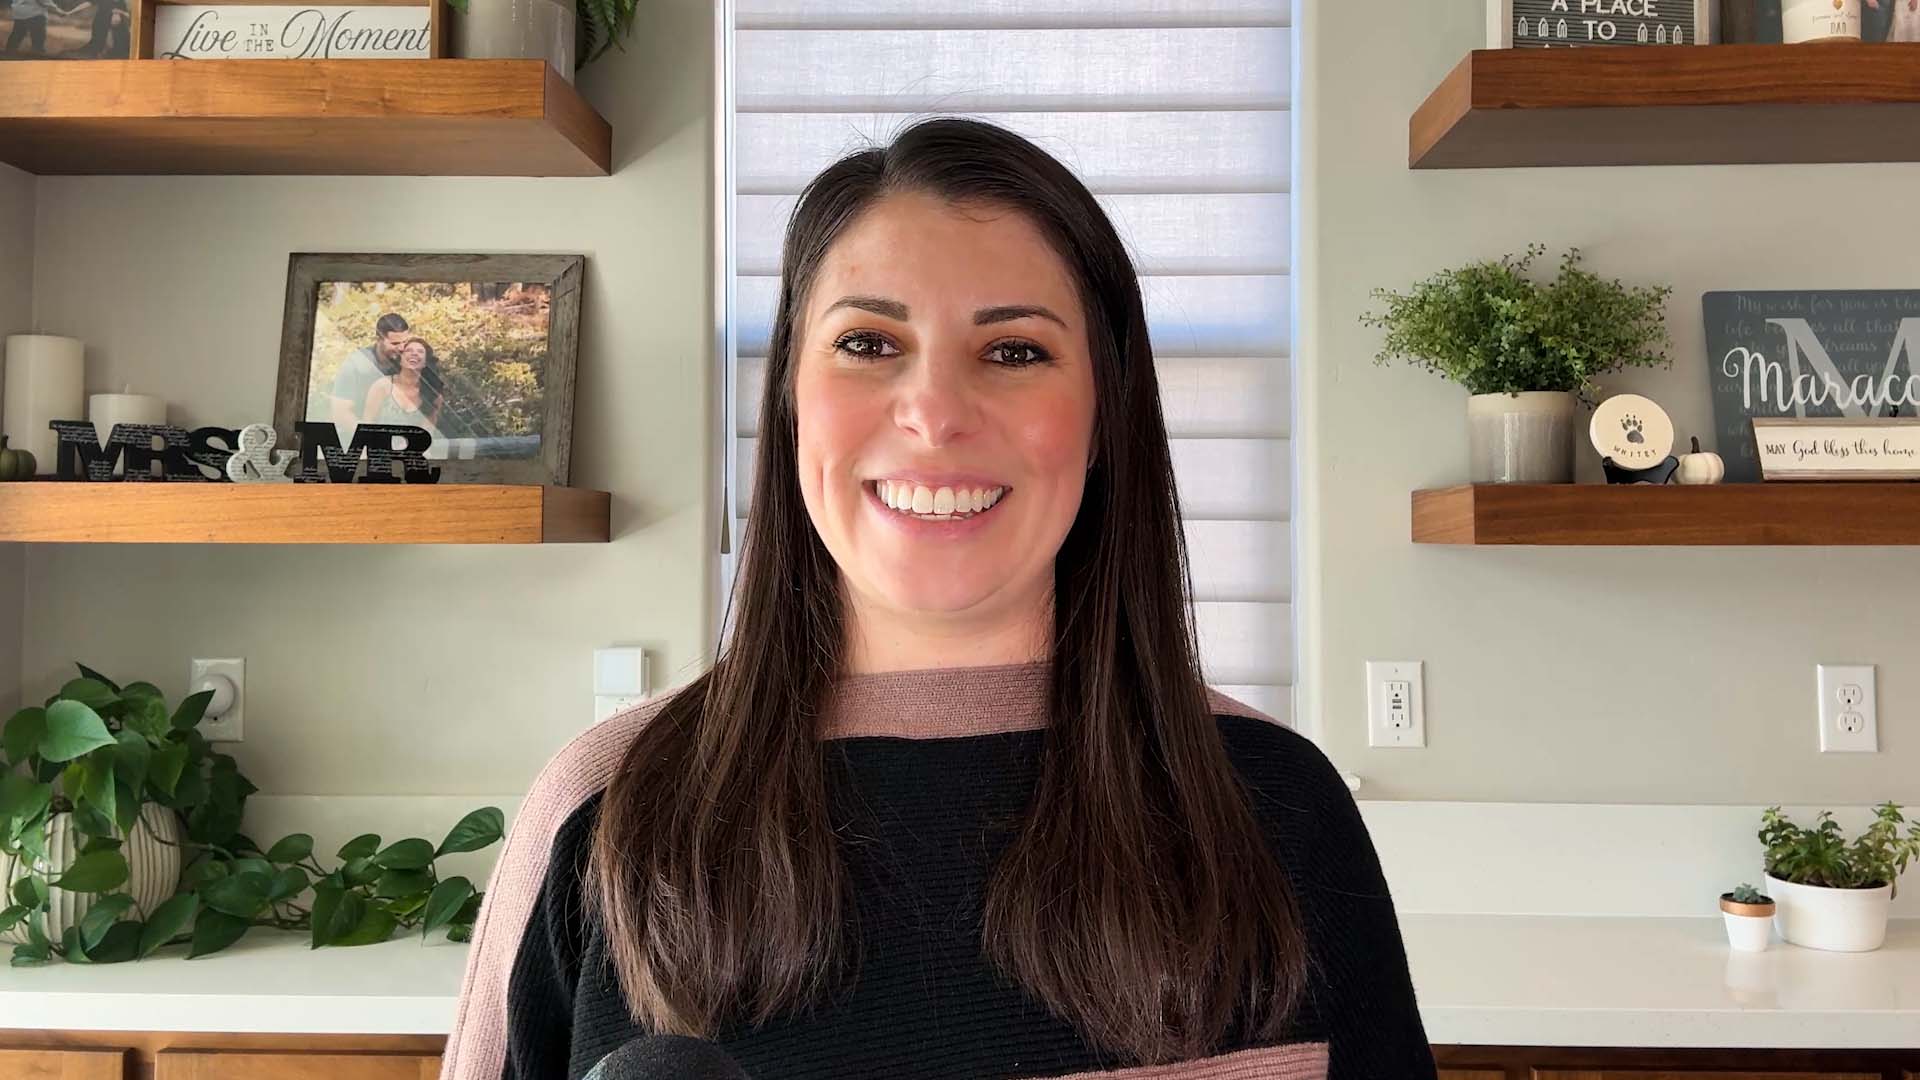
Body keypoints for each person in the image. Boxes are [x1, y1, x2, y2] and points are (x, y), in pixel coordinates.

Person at [441, 118, 1434, 1080]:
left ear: (1104, 414)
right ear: (791, 399)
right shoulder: (603, 809)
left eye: (1015, 351)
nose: (935, 413)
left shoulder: (1280, 807)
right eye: (869, 343)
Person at [326, 312, 409, 441]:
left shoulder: (408, 361)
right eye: (395, 343)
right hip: (357, 435)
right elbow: (340, 413)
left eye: (405, 342)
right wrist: (371, 439)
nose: (402, 348)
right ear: (378, 339)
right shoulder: (356, 364)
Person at [362, 336, 446, 454]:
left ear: (425, 363)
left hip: (414, 455)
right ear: (400, 359)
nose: (414, 354)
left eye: (420, 352)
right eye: (409, 350)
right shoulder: (382, 386)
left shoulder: (433, 395)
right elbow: (367, 426)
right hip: (379, 453)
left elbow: (427, 434)